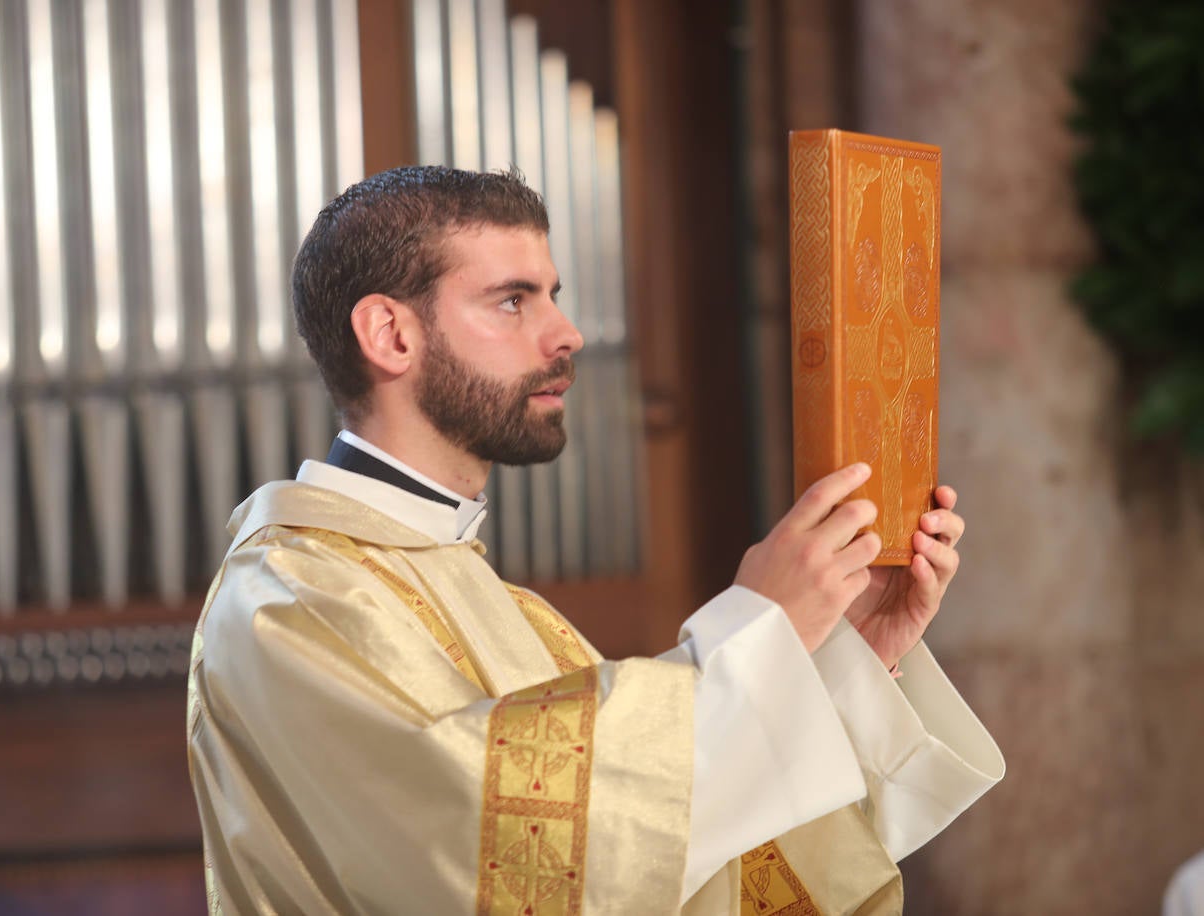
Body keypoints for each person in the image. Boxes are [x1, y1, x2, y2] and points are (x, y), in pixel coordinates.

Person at [186, 166, 1004, 915]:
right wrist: (760, 626)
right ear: (391, 335)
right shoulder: (287, 600)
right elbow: (477, 842)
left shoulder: (511, 610)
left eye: (554, 295)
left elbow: (663, 857)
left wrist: (840, 659)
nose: (567, 333)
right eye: (514, 301)